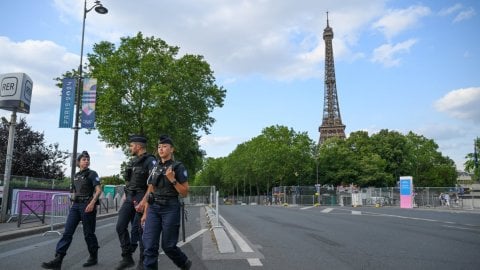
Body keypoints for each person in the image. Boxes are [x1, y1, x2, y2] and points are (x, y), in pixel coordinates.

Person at [41, 151, 102, 269]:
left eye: (88, 159)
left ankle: (93, 256)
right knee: (67, 232)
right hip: (75, 206)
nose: (86, 161)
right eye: (84, 159)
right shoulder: (75, 176)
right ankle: (58, 260)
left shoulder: (92, 174)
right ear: (78, 162)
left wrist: (92, 203)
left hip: (87, 205)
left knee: (89, 234)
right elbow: (74, 191)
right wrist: (72, 199)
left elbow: (98, 190)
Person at [141, 135, 192, 270]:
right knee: (149, 246)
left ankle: (184, 263)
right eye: (159, 147)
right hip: (153, 208)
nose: (161, 149)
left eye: (164, 146)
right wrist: (145, 212)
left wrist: (172, 179)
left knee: (168, 246)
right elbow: (150, 190)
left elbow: (185, 192)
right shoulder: (155, 167)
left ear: (172, 149)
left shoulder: (178, 167)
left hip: (170, 207)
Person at [115, 135, 157, 270]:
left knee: (141, 231)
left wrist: (144, 202)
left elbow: (153, 184)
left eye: (131, 145)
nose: (130, 148)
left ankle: (142, 262)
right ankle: (127, 257)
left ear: (138, 146)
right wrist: (125, 195)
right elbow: (129, 180)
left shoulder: (150, 161)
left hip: (142, 196)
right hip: (129, 197)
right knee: (120, 226)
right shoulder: (133, 161)